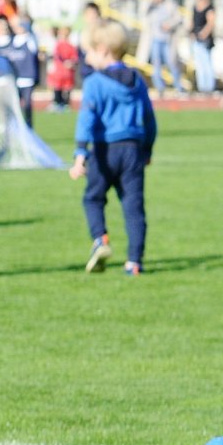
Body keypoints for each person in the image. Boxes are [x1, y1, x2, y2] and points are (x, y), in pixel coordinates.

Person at [72, 20, 156, 277]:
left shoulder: (94, 83)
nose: (87, 56)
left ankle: (100, 240)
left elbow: (86, 118)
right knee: (133, 206)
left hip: (104, 149)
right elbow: (149, 119)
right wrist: (148, 150)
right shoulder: (137, 80)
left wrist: (79, 154)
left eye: (91, 50)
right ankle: (134, 262)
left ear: (104, 50)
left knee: (93, 198)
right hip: (132, 149)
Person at [0, 14, 40, 127]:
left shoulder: (30, 39)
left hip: (27, 78)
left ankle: (28, 127)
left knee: (27, 106)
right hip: (15, 79)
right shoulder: (11, 41)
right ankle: (12, 126)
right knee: (11, 105)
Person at [143, 0, 182, 98]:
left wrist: (169, 25)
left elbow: (178, 18)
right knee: (156, 65)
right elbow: (145, 18)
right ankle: (160, 88)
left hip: (168, 39)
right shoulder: (151, 6)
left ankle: (178, 86)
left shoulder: (170, 5)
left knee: (172, 62)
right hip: (155, 39)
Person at [189, 0, 218, 98]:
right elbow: (192, 21)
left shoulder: (209, 7)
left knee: (207, 63)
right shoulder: (195, 7)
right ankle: (202, 87)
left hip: (205, 39)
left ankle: (209, 87)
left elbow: (211, 23)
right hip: (196, 38)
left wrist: (204, 34)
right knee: (199, 64)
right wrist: (191, 32)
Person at [46, 26, 78, 112]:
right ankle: (57, 102)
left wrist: (71, 62)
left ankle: (66, 103)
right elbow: (57, 55)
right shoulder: (58, 45)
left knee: (67, 87)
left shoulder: (71, 45)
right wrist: (65, 62)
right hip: (59, 70)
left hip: (67, 70)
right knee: (57, 86)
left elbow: (74, 57)